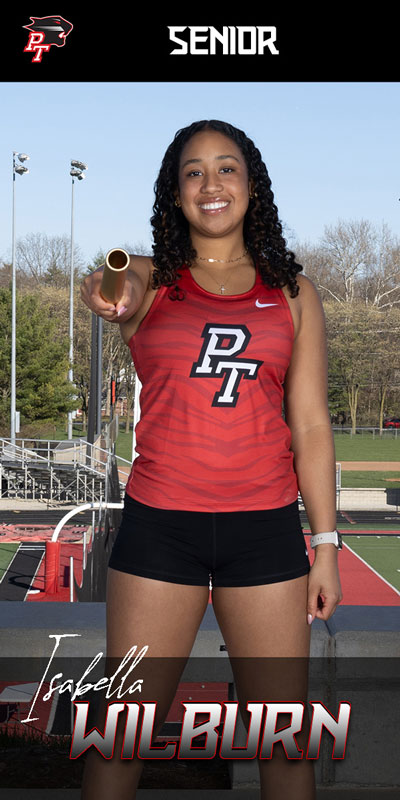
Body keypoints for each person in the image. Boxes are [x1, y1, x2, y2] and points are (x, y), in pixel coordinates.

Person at [80, 119, 342, 799]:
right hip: (160, 530)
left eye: (227, 168)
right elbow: (115, 278)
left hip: (265, 534)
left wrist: (329, 546)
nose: (211, 183)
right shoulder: (150, 283)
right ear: (175, 194)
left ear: (253, 186)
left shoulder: (293, 293)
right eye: (193, 172)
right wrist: (114, 282)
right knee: (122, 734)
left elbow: (311, 425)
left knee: (286, 743)